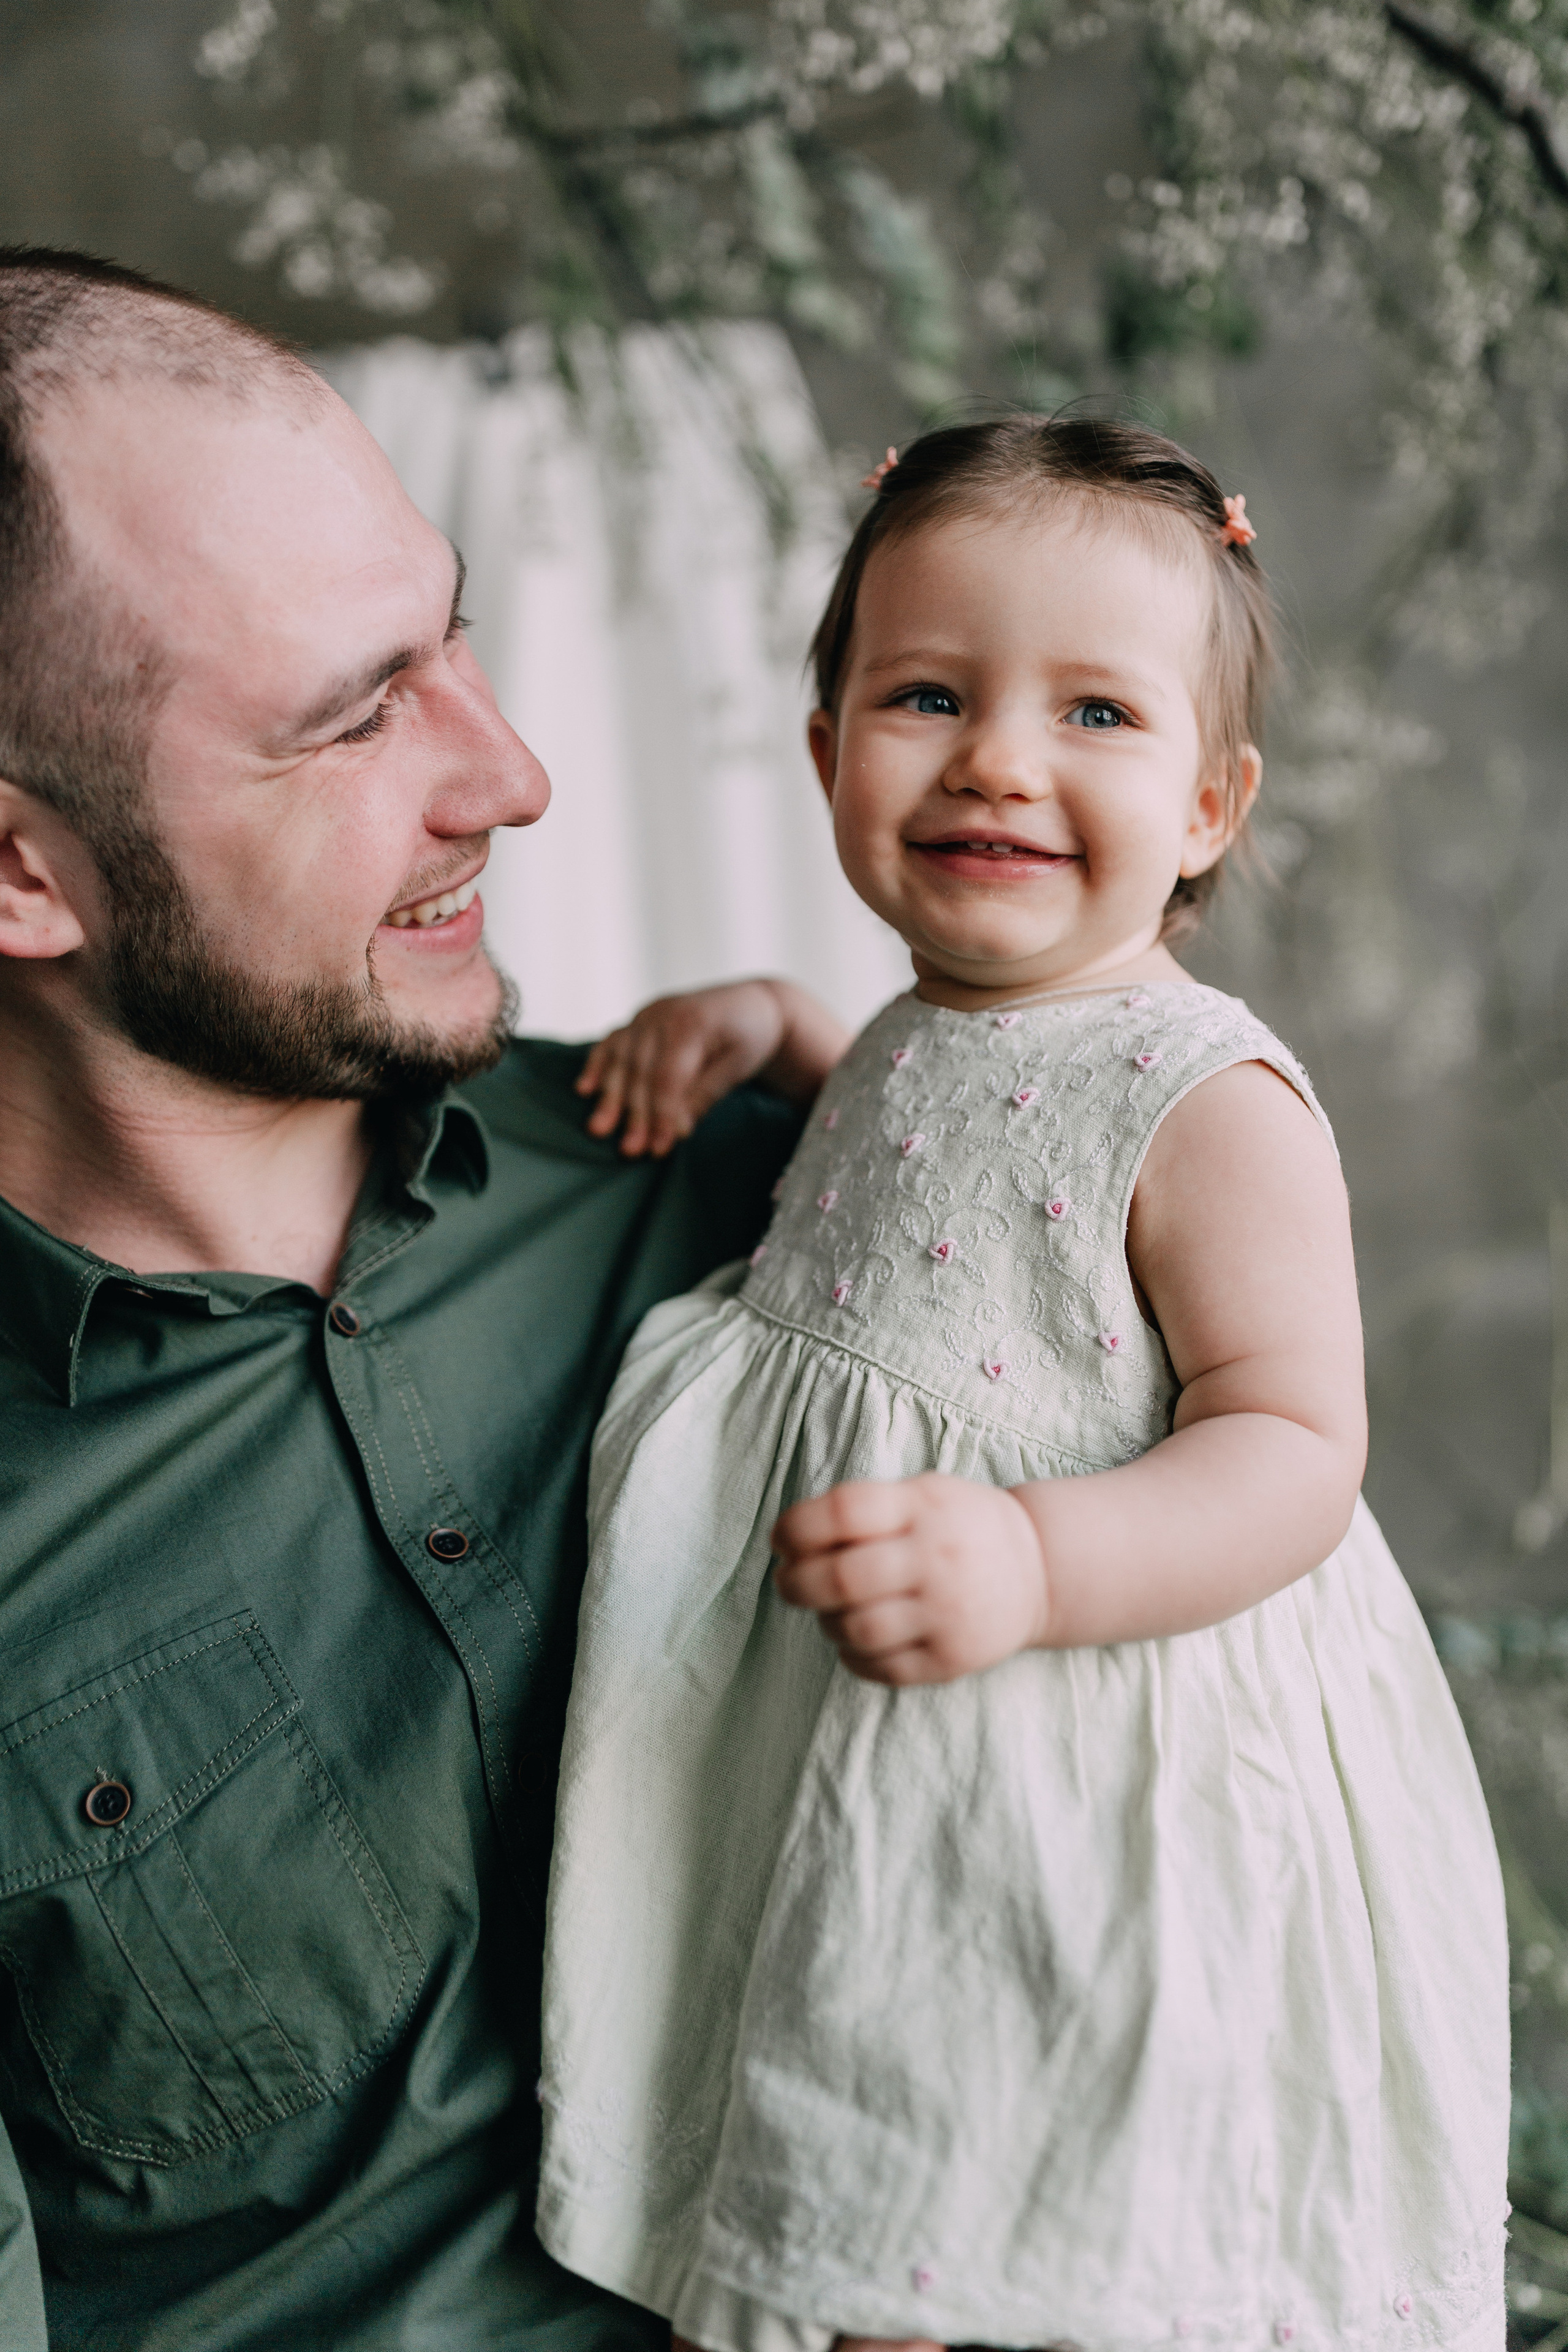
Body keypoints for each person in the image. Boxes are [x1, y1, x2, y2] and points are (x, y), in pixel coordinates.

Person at [537, 419, 1512, 2352]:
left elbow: (1295, 1443)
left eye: (1094, 712)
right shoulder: (939, 1015)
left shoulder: (1208, 1101)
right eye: (925, 694)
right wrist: (781, 1032)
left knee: (988, 2185)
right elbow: (949, 1151)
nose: (997, 756)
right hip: (887, 1714)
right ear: (826, 753)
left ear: (1213, 806)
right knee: (843, 2131)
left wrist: (1040, 1565)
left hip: (1070, 1747)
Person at [0, 247, 848, 2351]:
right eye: (355, 714)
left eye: (445, 630)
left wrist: (985, 1147)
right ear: (21, 872)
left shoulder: (781, 1198)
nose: (509, 773)